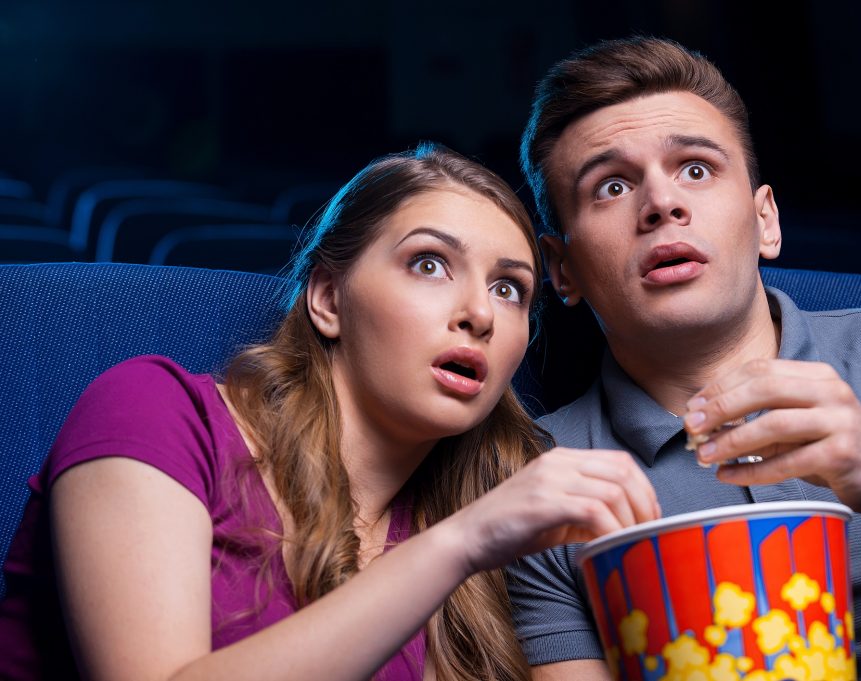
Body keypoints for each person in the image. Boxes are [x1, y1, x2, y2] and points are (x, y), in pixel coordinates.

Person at [0, 143, 660, 681]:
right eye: (429, 264)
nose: (480, 313)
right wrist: (460, 543)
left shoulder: (465, 527)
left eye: (509, 288)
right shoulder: (153, 409)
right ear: (327, 299)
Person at [508, 37, 861, 680]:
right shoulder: (535, 477)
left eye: (696, 168)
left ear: (766, 221)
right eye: (612, 186)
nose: (662, 205)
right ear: (562, 270)